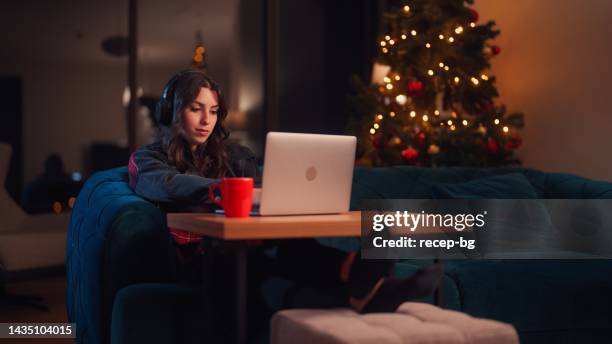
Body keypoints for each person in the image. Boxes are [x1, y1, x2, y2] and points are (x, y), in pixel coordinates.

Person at [127, 69, 443, 314]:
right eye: (196, 109)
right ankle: (361, 279)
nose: (206, 120)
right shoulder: (148, 158)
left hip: (248, 248)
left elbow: (260, 205)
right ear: (172, 111)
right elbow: (164, 183)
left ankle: (365, 288)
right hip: (201, 261)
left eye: (213, 110)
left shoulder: (234, 156)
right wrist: (224, 191)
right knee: (262, 259)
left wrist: (269, 202)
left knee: (281, 249)